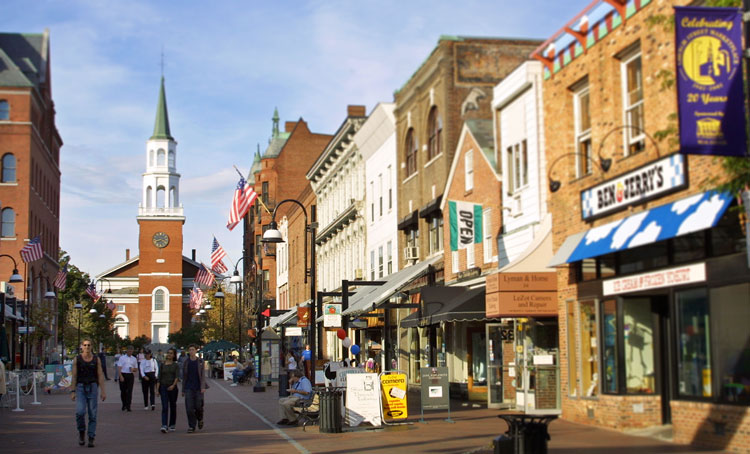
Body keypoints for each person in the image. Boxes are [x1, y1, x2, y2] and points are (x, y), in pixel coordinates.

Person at [69, 338, 106, 448]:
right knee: (80, 412)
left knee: (92, 414)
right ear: (81, 346)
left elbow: (100, 375)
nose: (87, 347)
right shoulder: (77, 359)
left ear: (92, 347)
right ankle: (81, 432)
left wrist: (103, 391)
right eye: (85, 345)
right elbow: (74, 376)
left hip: (93, 387)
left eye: (89, 345)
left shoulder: (96, 359)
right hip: (80, 387)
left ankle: (91, 437)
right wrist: (73, 391)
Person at [181, 344, 206, 433]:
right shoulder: (186, 362)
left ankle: (200, 419)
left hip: (198, 388)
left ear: (196, 351)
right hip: (189, 387)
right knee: (189, 408)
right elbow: (184, 376)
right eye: (190, 350)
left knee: (199, 406)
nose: (191, 351)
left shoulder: (200, 361)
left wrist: (203, 387)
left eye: (193, 349)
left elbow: (203, 375)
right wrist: (183, 390)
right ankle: (191, 425)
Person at [158, 348, 180, 433]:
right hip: (163, 387)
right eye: (168, 353)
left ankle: (172, 424)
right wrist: (157, 389)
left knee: (173, 406)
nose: (169, 354)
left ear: (174, 355)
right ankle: (164, 425)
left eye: (171, 353)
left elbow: (176, 377)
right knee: (164, 406)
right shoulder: (162, 365)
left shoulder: (175, 365)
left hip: (172, 388)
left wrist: (173, 385)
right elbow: (159, 378)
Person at [116, 345, 138, 411]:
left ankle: (128, 405)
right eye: (129, 351)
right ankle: (124, 404)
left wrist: (133, 369)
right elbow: (119, 367)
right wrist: (120, 376)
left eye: (131, 351)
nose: (130, 352)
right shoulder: (122, 358)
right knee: (123, 391)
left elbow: (136, 369)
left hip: (130, 375)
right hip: (123, 374)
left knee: (129, 391)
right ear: (127, 351)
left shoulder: (134, 359)